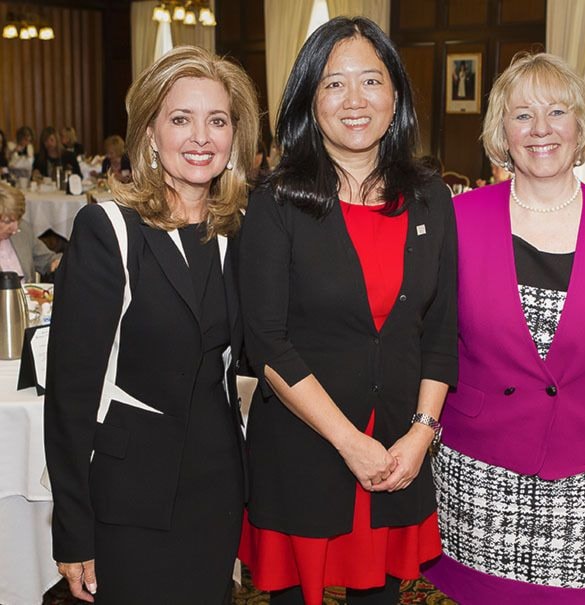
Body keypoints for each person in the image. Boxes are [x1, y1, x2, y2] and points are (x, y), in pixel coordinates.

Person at [423, 52, 585, 604]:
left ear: (580, 125)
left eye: (557, 111)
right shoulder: (459, 220)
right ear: (501, 132)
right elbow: (428, 339)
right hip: (479, 473)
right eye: (522, 115)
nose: (540, 130)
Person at [238, 16, 457, 605]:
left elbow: (441, 331)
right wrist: (348, 442)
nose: (355, 100)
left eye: (371, 81)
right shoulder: (277, 200)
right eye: (334, 84)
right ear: (311, 98)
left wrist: (420, 434)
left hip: (399, 449)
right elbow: (267, 342)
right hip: (305, 445)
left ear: (396, 95)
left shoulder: (432, 198)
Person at [44, 45, 259, 604]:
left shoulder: (238, 233)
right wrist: (72, 530)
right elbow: (70, 395)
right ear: (149, 134)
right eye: (180, 119)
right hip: (129, 499)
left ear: (234, 137)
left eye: (217, 121)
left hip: (215, 491)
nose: (200, 137)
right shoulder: (107, 230)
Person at [0, 182, 61, 281]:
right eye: (8, 221)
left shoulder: (23, 229)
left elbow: (46, 259)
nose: (15, 228)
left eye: (18, 219)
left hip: (28, 295)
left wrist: (56, 262)